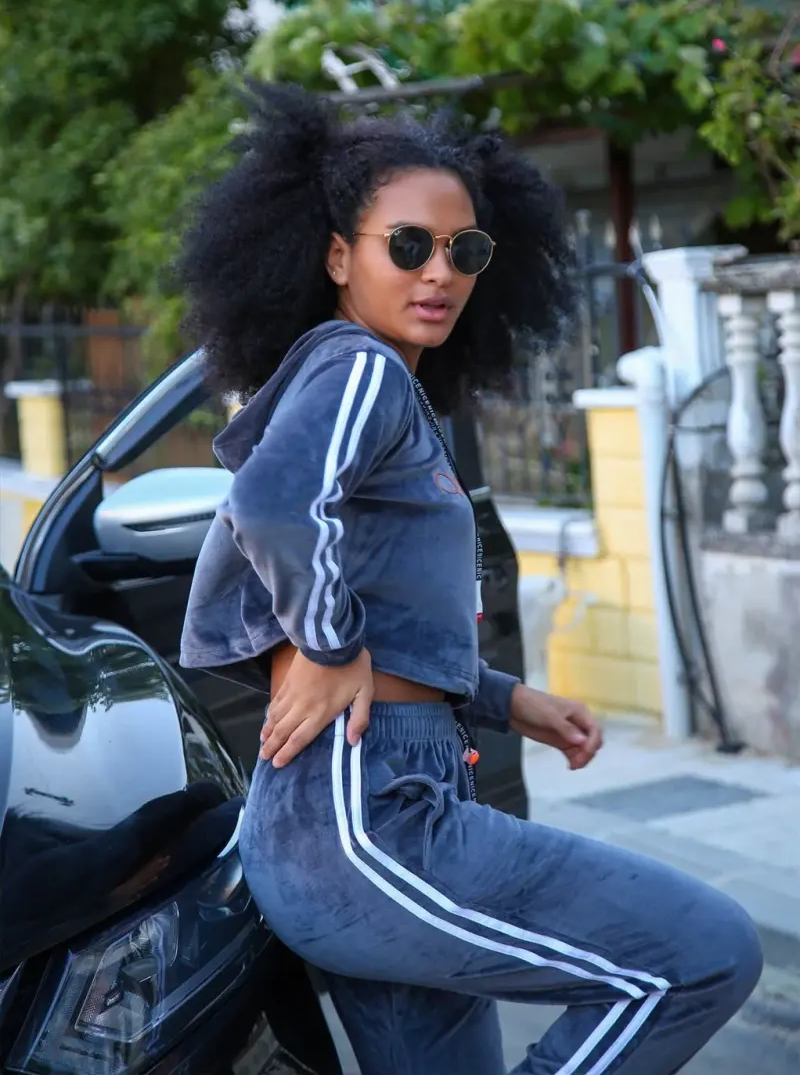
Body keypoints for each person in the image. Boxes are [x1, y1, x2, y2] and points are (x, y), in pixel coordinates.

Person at [178, 83, 762, 1075]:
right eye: (408, 245)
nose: (439, 271)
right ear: (338, 256)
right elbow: (273, 507)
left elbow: (381, 605)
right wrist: (327, 641)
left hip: (364, 807)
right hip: (367, 818)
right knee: (700, 955)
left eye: (467, 250)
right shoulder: (359, 367)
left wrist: (503, 699)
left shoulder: (380, 388)